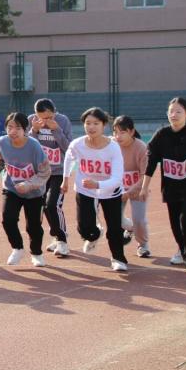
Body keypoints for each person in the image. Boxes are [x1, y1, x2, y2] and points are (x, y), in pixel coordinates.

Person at [139, 97, 186, 272]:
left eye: (178, 111)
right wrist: (144, 187)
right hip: (171, 188)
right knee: (175, 224)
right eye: (171, 111)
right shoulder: (162, 135)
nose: (174, 115)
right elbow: (151, 162)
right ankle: (183, 251)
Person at [62, 107, 127, 272]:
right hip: (85, 190)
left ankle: (118, 258)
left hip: (110, 191)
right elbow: (68, 158)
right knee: (84, 228)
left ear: (104, 125)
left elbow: (117, 178)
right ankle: (94, 235)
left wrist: (97, 184)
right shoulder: (78, 144)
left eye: (96, 123)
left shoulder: (113, 148)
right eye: (88, 123)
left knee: (114, 228)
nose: (91, 127)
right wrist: (65, 179)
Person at [0, 112, 51, 267]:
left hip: (34, 192)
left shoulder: (34, 146)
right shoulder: (3, 142)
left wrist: (28, 184)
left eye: (17, 128)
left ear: (25, 129)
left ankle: (36, 253)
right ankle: (17, 248)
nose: (13, 131)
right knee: (8, 219)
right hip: (12, 188)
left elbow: (45, 172)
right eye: (10, 127)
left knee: (33, 226)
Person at [28, 98, 72, 257]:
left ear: (54, 112)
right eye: (41, 118)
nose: (45, 121)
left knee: (53, 204)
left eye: (48, 117)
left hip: (58, 171)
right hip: (40, 172)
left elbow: (68, 148)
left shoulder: (63, 121)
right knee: (43, 206)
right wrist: (34, 131)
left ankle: (62, 241)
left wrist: (56, 130)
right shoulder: (32, 121)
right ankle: (56, 236)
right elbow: (28, 146)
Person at [112, 115, 150, 258]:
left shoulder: (141, 147)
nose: (118, 136)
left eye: (122, 132)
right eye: (115, 132)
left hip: (138, 189)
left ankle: (143, 244)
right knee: (115, 218)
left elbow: (145, 175)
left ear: (132, 132)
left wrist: (130, 191)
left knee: (139, 219)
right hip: (118, 189)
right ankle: (130, 228)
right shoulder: (111, 145)